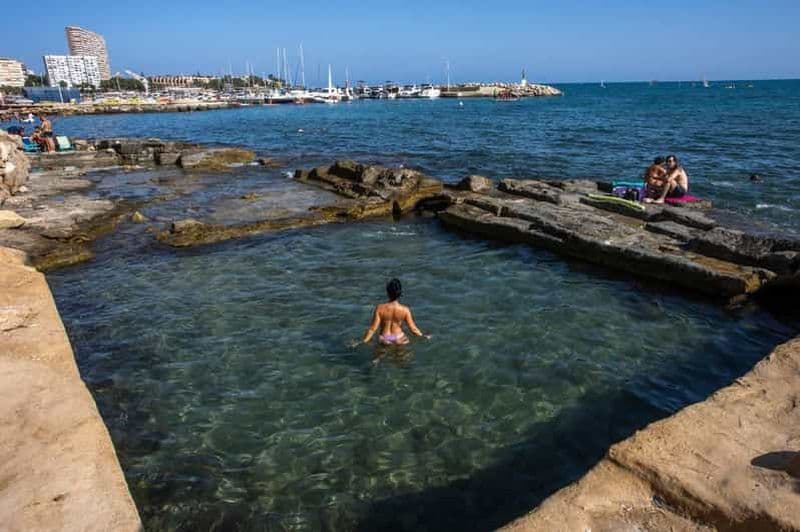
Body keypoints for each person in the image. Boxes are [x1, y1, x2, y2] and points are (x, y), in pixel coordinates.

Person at [361, 278, 429, 345]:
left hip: (385, 338)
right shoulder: (405, 310)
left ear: (388, 292)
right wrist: (423, 336)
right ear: (400, 293)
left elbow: (373, 329)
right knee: (402, 355)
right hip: (398, 337)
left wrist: (363, 341)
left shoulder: (379, 308)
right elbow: (413, 329)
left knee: (380, 355)